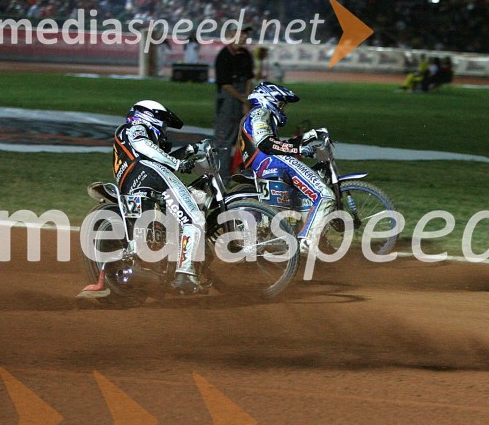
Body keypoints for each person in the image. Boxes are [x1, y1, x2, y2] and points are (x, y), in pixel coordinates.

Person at [110, 101, 206, 294]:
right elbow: (144, 145)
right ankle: (185, 273)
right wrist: (177, 163)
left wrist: (187, 151)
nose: (164, 129)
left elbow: (149, 152)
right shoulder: (136, 127)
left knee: (144, 228)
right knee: (193, 219)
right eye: (163, 122)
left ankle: (143, 261)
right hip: (152, 172)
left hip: (130, 183)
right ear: (149, 116)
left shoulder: (122, 136)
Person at [238, 82, 335, 253]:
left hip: (265, 164)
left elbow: (276, 144)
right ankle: (307, 239)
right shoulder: (261, 112)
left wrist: (310, 136)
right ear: (268, 100)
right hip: (274, 162)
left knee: (306, 197)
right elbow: (266, 143)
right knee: (325, 195)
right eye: (281, 104)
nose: (283, 110)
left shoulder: (254, 116)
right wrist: (299, 150)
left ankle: (301, 233)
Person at [214, 24, 255, 182]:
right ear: (232, 34)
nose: (244, 36)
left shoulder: (246, 54)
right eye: (242, 33)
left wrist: (248, 99)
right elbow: (224, 83)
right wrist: (243, 99)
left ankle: (244, 176)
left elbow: (249, 78)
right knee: (224, 141)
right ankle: (222, 179)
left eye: (246, 33)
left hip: (243, 96)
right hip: (228, 100)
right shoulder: (224, 55)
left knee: (246, 139)